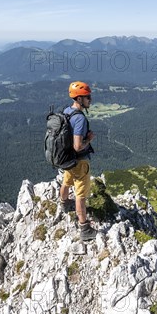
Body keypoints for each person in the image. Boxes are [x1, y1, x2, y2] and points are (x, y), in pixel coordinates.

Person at [58, 81, 98, 241]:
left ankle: (64, 203)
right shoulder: (80, 119)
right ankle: (84, 228)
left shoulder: (67, 111)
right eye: (88, 97)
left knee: (66, 181)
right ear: (80, 99)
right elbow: (77, 146)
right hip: (80, 162)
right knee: (81, 195)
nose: (90, 100)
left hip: (68, 160)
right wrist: (89, 139)